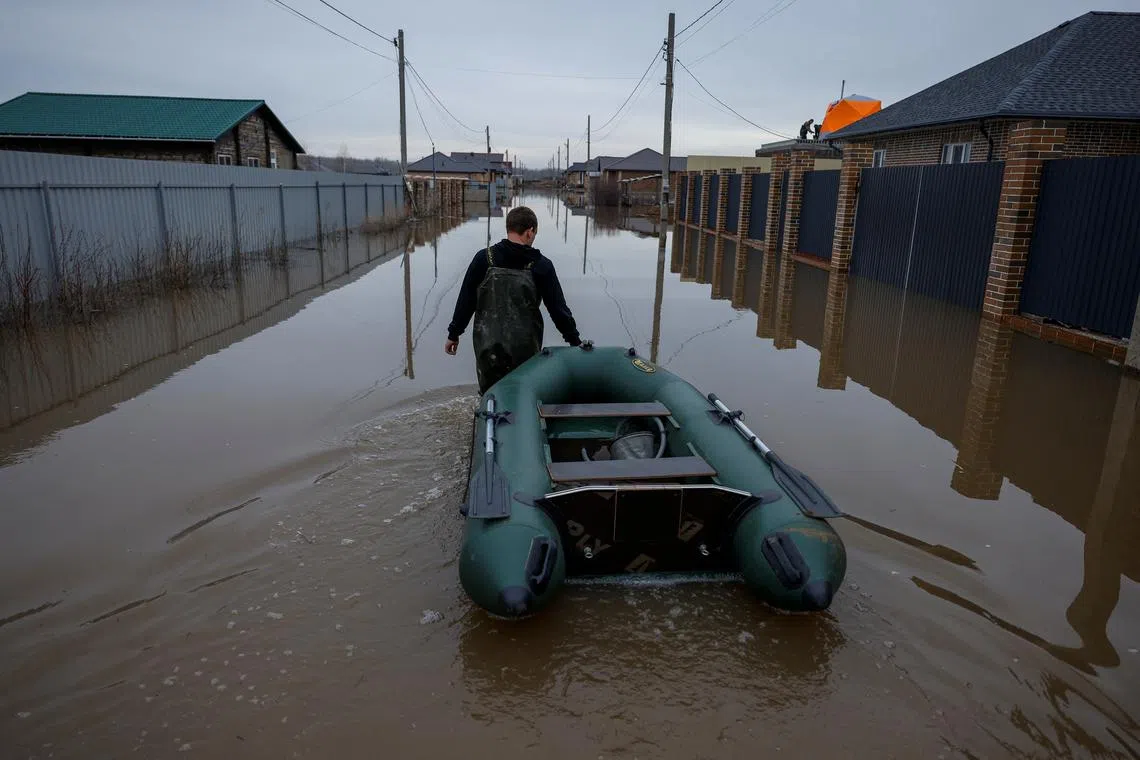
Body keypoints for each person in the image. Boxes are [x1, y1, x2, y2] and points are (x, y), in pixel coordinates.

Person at [445, 206, 582, 394]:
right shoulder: (541, 265)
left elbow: (466, 299)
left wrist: (454, 333)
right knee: (520, 394)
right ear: (529, 231)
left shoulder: (484, 259)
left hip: (488, 347)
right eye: (534, 234)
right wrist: (575, 341)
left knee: (490, 395)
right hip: (524, 349)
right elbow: (558, 310)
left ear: (508, 228)